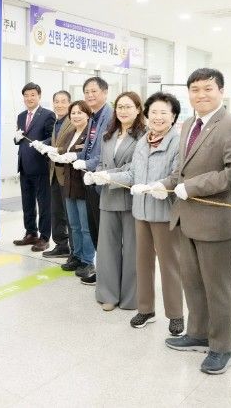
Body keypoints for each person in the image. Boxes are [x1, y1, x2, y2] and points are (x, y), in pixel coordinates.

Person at [155, 68, 231, 374]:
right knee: (192, 282)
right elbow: (182, 170)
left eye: (208, 88)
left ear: (221, 91)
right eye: (195, 89)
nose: (201, 95)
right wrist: (163, 184)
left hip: (216, 221)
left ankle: (221, 348)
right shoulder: (188, 124)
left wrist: (192, 187)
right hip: (186, 218)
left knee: (218, 287)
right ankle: (197, 333)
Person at [104, 92, 185, 334]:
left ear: (173, 116)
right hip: (140, 212)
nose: (158, 117)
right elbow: (133, 175)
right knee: (143, 263)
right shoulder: (142, 142)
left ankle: (175, 315)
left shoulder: (178, 143)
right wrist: (107, 177)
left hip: (164, 213)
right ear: (147, 115)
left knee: (170, 266)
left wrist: (160, 186)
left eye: (164, 112)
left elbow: (177, 176)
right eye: (154, 112)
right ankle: (146, 309)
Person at [89, 91, 146, 306]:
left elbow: (135, 169)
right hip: (108, 197)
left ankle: (131, 298)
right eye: (120, 107)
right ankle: (108, 295)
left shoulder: (144, 136)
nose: (123, 111)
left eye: (128, 107)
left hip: (131, 199)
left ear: (138, 110)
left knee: (132, 250)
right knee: (107, 249)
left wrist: (108, 176)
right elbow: (101, 162)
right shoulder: (108, 134)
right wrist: (96, 174)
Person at [50, 101, 96, 277]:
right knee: (74, 225)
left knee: (85, 227)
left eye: (80, 112)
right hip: (69, 184)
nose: (76, 116)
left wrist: (75, 156)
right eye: (73, 113)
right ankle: (76, 256)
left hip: (84, 185)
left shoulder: (91, 135)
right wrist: (53, 153)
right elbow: (61, 151)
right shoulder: (70, 133)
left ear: (88, 115)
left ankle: (87, 260)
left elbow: (92, 157)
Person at [13, 82, 56, 252]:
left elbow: (52, 138)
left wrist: (42, 143)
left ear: (39, 96)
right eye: (26, 95)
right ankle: (31, 233)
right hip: (24, 165)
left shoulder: (48, 115)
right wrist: (16, 138)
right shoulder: (21, 116)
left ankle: (44, 238)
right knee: (27, 203)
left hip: (41, 166)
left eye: (32, 95)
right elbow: (20, 138)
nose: (29, 98)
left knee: (44, 204)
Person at [73, 77, 113, 255]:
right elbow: (89, 146)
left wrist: (87, 163)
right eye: (86, 92)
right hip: (89, 178)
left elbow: (107, 151)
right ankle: (101, 265)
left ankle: (106, 266)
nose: (89, 95)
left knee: (103, 228)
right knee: (93, 226)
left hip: (102, 178)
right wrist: (75, 156)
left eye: (94, 91)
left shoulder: (110, 116)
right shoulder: (93, 116)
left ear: (105, 92)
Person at [30, 90, 73, 258]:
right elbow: (55, 141)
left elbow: (70, 145)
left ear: (69, 103)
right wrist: (43, 144)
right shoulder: (57, 121)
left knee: (69, 215)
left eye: (63, 101)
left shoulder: (72, 121)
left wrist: (54, 149)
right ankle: (61, 245)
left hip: (67, 175)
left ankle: (75, 251)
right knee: (57, 212)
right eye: (57, 101)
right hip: (54, 173)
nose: (59, 105)